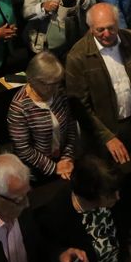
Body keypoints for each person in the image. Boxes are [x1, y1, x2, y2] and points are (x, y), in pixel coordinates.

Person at [64, 3, 131, 164]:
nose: (107, 34)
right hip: (103, 137)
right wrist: (107, 137)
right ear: (90, 28)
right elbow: (80, 107)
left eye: (111, 28)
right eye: (100, 30)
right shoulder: (77, 57)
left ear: (117, 23)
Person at [8, 52, 77, 180]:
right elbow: (23, 149)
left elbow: (71, 126)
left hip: (64, 164)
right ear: (32, 79)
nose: (54, 88)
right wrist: (54, 167)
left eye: (57, 82)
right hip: (36, 172)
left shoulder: (59, 92)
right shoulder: (19, 106)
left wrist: (67, 157)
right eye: (49, 84)